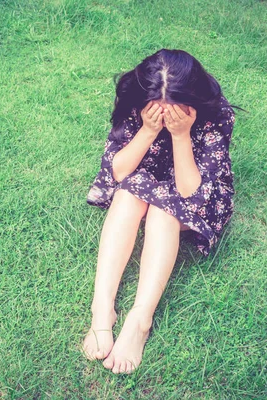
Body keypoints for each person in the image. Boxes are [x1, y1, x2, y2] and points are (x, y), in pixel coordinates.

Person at [82, 49, 239, 374]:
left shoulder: (216, 113)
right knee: (126, 196)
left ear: (192, 100)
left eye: (175, 111)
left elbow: (189, 193)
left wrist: (181, 135)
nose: (166, 117)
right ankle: (102, 309)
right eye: (157, 111)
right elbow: (120, 172)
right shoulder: (135, 102)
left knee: (165, 212)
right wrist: (149, 130)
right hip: (142, 173)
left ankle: (141, 319)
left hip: (192, 184)